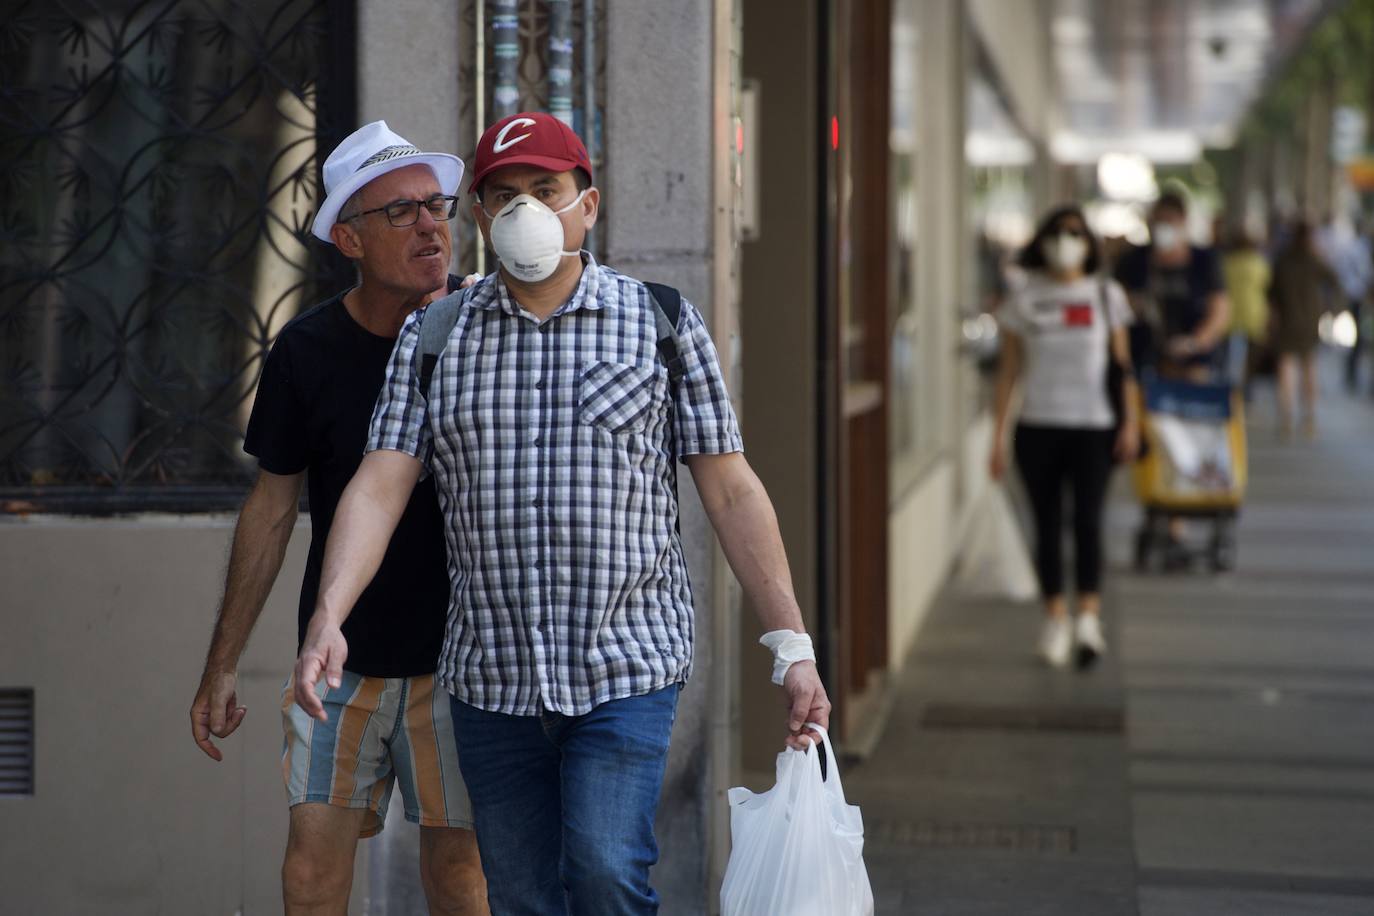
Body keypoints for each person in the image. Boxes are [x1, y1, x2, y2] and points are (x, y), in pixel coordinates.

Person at [290, 111, 832, 914]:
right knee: (519, 895)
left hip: (626, 666)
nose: (524, 210)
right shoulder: (435, 336)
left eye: (545, 190)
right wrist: (329, 615)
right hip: (492, 680)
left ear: (588, 205)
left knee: (606, 871)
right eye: (503, 194)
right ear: (480, 217)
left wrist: (792, 647)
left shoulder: (661, 323)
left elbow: (731, 490)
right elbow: (379, 485)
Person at [189, 121, 487, 915]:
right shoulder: (306, 350)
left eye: (437, 205)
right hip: (339, 662)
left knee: (462, 880)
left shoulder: (486, 328)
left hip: (465, 661)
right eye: (400, 212)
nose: (430, 226)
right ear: (348, 239)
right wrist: (223, 662)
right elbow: (270, 510)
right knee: (310, 878)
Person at [990, 205, 1140, 669]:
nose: (1065, 241)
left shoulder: (1106, 295)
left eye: (1075, 233)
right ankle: (1055, 616)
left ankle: (1089, 618)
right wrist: (997, 437)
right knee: (1047, 524)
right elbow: (1008, 372)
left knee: (1089, 521)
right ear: (1042, 241)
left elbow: (1123, 367)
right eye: (1057, 232)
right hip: (1037, 427)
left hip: (1094, 427)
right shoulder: (1024, 298)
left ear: (1088, 243)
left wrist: (1131, 423)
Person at [1114, 191, 1230, 381]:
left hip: (1195, 362)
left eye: (1169, 220)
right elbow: (1117, 306)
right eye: (1158, 220)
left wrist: (1194, 343)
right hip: (1145, 360)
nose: (1162, 226)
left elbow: (1219, 311)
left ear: (1183, 222)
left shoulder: (1205, 260)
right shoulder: (1134, 260)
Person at [1270, 219, 1339, 438]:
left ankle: (1287, 416)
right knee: (1309, 366)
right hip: (1310, 320)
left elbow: (1271, 292)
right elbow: (1335, 282)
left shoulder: (1283, 260)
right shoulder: (1314, 260)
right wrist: (1330, 308)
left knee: (1287, 366)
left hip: (1287, 319)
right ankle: (1308, 417)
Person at [1220, 225, 1271, 395]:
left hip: (1230, 313)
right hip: (1253, 313)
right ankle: (1246, 388)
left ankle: (1230, 388)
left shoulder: (1228, 262)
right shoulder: (1258, 263)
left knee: (1229, 355)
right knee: (1250, 354)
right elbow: (1266, 285)